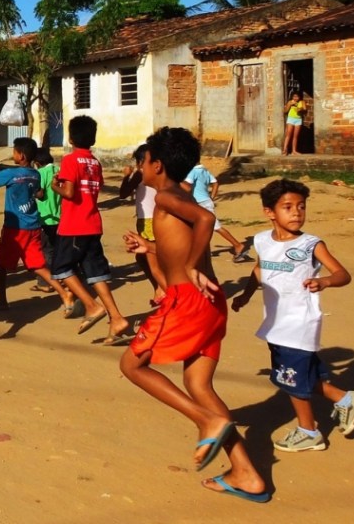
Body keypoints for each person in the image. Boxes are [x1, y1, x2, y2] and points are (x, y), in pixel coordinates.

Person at [120, 127, 268, 504]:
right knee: (199, 386)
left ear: (157, 164)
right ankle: (247, 474)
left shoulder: (167, 197)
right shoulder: (175, 195)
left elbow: (204, 220)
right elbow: (184, 235)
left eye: (145, 159)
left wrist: (188, 266)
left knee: (132, 366)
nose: (141, 165)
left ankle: (206, 421)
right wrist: (151, 245)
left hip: (187, 299)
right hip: (210, 301)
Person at [231, 179, 354, 452]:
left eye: (301, 206)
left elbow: (342, 274)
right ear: (269, 212)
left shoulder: (311, 244)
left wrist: (324, 281)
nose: (296, 212)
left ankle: (309, 430)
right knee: (301, 374)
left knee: (290, 379)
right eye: (287, 207)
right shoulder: (263, 241)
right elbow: (259, 270)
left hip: (299, 322)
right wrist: (246, 295)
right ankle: (345, 400)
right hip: (275, 321)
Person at [50, 115, 131, 343]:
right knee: (96, 273)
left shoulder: (70, 160)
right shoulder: (95, 162)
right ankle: (117, 319)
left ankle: (91, 305)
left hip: (74, 225)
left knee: (61, 268)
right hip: (93, 223)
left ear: (71, 136)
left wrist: (55, 185)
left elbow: (68, 193)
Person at [0, 137, 73, 314]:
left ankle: (2, 300)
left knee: (1, 264)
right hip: (33, 225)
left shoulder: (12, 174)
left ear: (21, 155)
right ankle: (64, 294)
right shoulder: (35, 174)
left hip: (14, 228)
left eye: (14, 151)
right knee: (38, 266)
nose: (13, 154)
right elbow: (40, 194)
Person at [119, 144, 163, 305]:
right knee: (145, 257)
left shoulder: (140, 174)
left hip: (147, 221)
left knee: (151, 260)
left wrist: (126, 176)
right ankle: (159, 288)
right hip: (150, 219)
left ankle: (162, 290)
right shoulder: (161, 173)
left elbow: (123, 194)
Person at [182, 161, 251, 262]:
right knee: (202, 227)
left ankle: (238, 245)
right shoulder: (204, 171)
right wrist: (212, 197)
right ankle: (203, 250)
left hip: (200, 203)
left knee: (215, 226)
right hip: (205, 201)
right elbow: (215, 183)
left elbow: (187, 187)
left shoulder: (192, 172)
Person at [32, 148, 62, 288]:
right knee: (58, 248)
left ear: (37, 163)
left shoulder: (40, 173)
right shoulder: (59, 170)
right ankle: (61, 277)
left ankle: (45, 282)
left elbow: (40, 194)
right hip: (61, 217)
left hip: (46, 217)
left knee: (46, 250)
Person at [282, 92, 307, 156]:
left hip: (298, 119)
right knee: (288, 135)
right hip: (291, 119)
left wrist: (300, 109)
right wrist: (289, 105)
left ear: (299, 97)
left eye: (297, 97)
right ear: (292, 97)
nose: (295, 98)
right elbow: (285, 111)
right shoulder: (290, 102)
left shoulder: (302, 102)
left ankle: (294, 151)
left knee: (295, 136)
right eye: (294, 96)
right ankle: (285, 150)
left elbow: (305, 110)